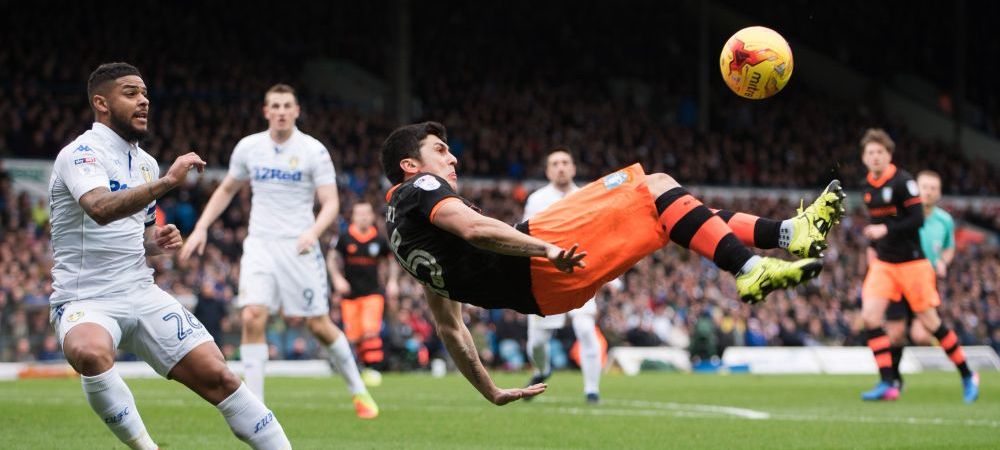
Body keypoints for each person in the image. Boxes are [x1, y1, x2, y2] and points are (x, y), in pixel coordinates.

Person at [380, 121, 844, 405]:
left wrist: (491, 391)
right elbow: (475, 228)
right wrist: (547, 250)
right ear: (409, 165)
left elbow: (450, 328)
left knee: (666, 214)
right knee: (655, 185)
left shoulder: (402, 236)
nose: (452, 156)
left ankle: (787, 234)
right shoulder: (419, 189)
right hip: (544, 255)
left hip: (546, 293)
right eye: (440, 149)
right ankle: (751, 268)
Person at [49, 62, 290, 449]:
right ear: (101, 102)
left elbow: (135, 233)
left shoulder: (145, 163)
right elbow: (99, 208)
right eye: (130, 93)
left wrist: (155, 242)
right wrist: (168, 183)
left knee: (221, 378)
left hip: (141, 293)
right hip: (86, 297)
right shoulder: (79, 154)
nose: (144, 100)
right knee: (90, 352)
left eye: (145, 94)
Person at [180, 84, 378, 419]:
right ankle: (255, 407)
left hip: (299, 247)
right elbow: (227, 188)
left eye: (288, 105)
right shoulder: (249, 147)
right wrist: (200, 227)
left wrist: (313, 232)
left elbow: (331, 203)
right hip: (259, 244)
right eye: (276, 105)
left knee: (318, 325)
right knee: (252, 315)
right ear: (266, 111)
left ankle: (358, 390)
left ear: (297, 111)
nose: (282, 111)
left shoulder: (313, 151)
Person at [857, 129, 978, 403]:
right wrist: (874, 246)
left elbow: (916, 221)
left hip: (913, 264)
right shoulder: (867, 187)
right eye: (870, 153)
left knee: (931, 324)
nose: (875, 157)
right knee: (871, 318)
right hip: (885, 264)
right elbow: (879, 228)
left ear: (889, 155)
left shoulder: (903, 182)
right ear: (864, 158)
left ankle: (968, 374)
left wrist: (883, 230)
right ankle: (888, 382)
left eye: (880, 152)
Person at [521, 148, 605, 404]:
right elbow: (526, 236)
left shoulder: (587, 196)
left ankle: (592, 390)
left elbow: (599, 235)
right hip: (548, 275)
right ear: (548, 171)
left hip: (581, 272)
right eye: (555, 163)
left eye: (565, 162)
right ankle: (542, 369)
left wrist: (609, 274)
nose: (560, 167)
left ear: (573, 168)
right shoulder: (537, 199)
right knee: (537, 342)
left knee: (585, 328)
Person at [882, 170, 964, 393]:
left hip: (925, 281)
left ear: (939, 193)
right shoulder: (903, 214)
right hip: (900, 277)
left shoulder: (944, 220)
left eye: (933, 188)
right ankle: (894, 378)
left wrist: (943, 262)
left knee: (921, 335)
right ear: (915, 189)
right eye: (924, 187)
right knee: (895, 334)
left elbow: (949, 247)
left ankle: (964, 371)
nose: (928, 192)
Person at [328, 201, 400, 382]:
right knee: (355, 335)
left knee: (370, 330)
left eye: (367, 213)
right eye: (360, 214)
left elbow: (392, 261)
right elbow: (331, 259)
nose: (364, 217)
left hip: (373, 293)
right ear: (353, 216)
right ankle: (363, 367)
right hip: (350, 295)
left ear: (372, 216)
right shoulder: (344, 237)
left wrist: (392, 282)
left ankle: (373, 369)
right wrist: (337, 279)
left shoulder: (379, 239)